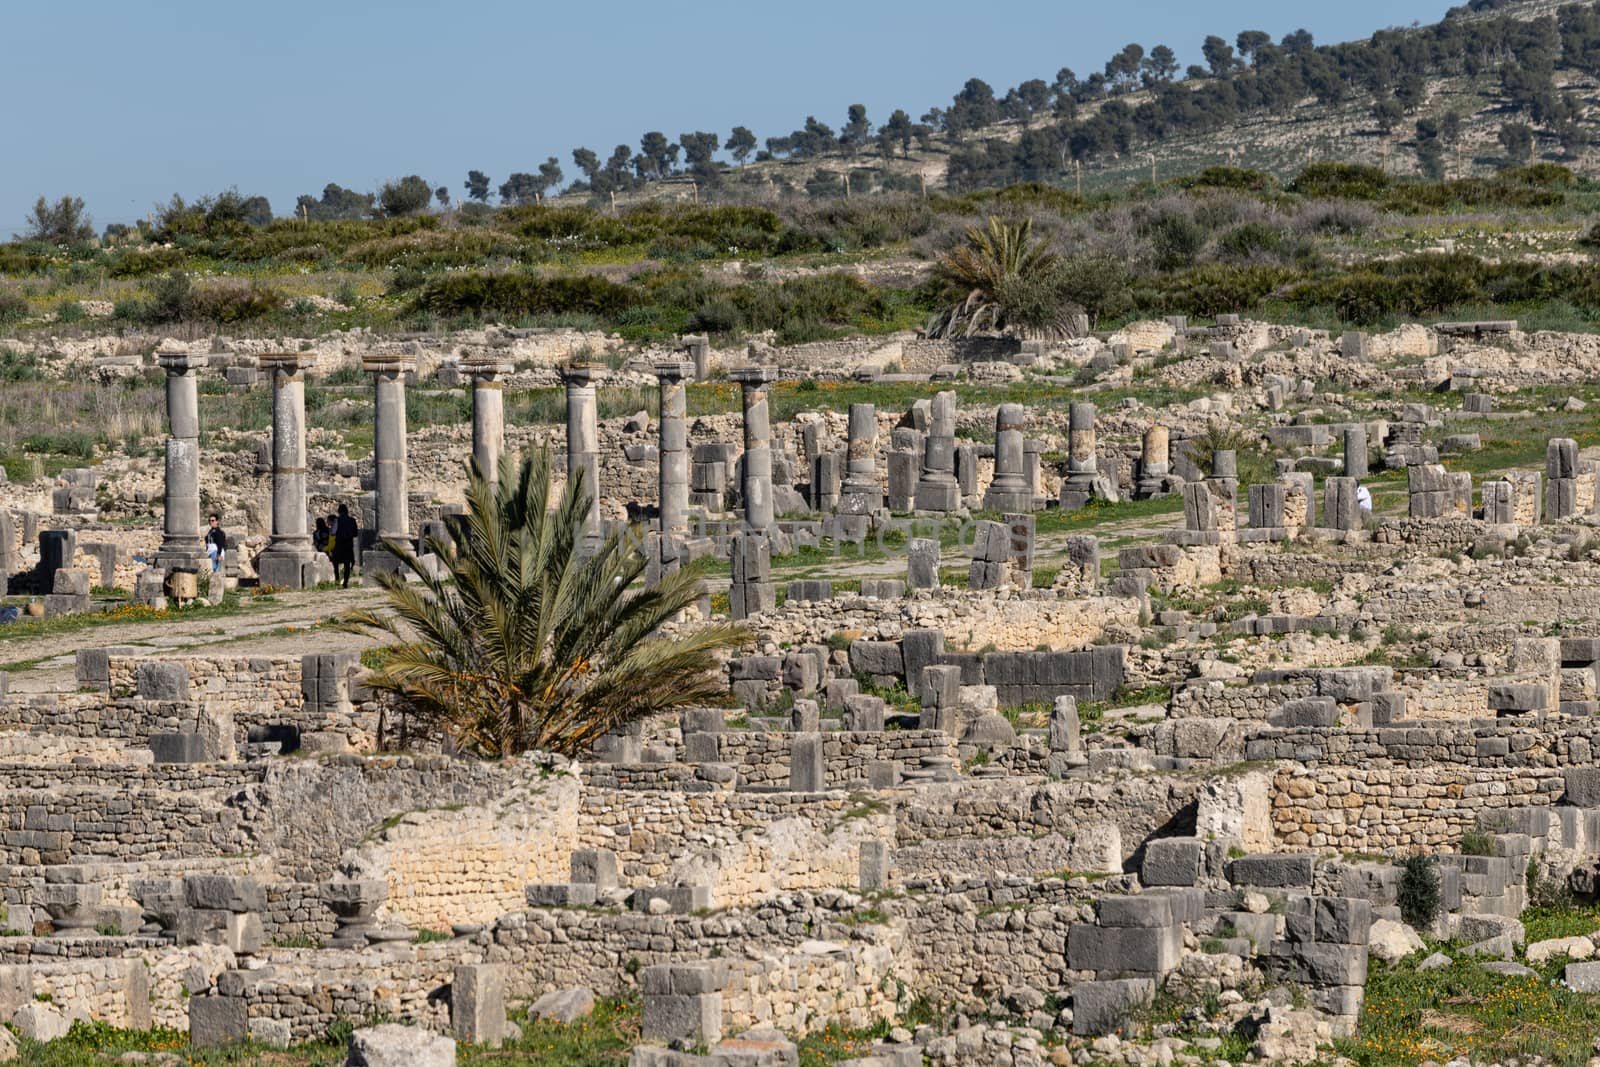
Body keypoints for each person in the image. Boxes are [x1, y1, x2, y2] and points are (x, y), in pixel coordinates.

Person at [332, 504, 359, 588]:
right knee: (347, 564)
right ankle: (345, 582)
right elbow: (355, 533)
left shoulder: (337, 520)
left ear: (339, 511)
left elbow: (333, 532)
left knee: (335, 563)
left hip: (339, 544)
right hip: (348, 544)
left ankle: (337, 579)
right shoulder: (352, 520)